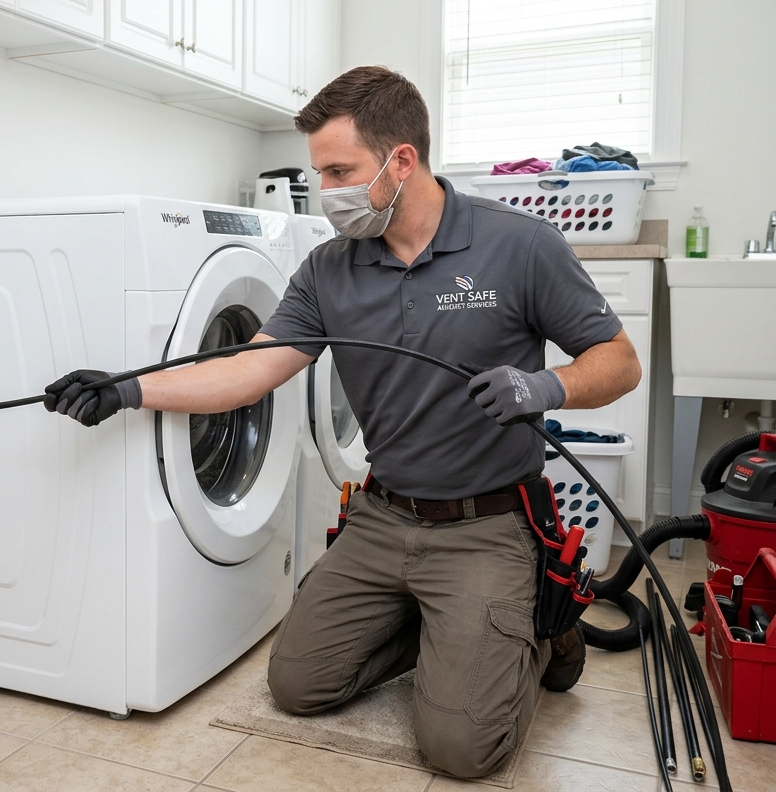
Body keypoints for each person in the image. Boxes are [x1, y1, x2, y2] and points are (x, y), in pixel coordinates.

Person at [43, 66, 641, 778]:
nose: (327, 192)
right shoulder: (330, 269)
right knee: (299, 684)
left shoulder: (519, 245)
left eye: (339, 170)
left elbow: (619, 362)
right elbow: (248, 369)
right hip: (384, 517)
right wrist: (128, 389)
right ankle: (447, 630)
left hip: (488, 525)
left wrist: (545, 384)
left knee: (461, 750)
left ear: (402, 160)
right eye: (319, 173)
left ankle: (542, 632)